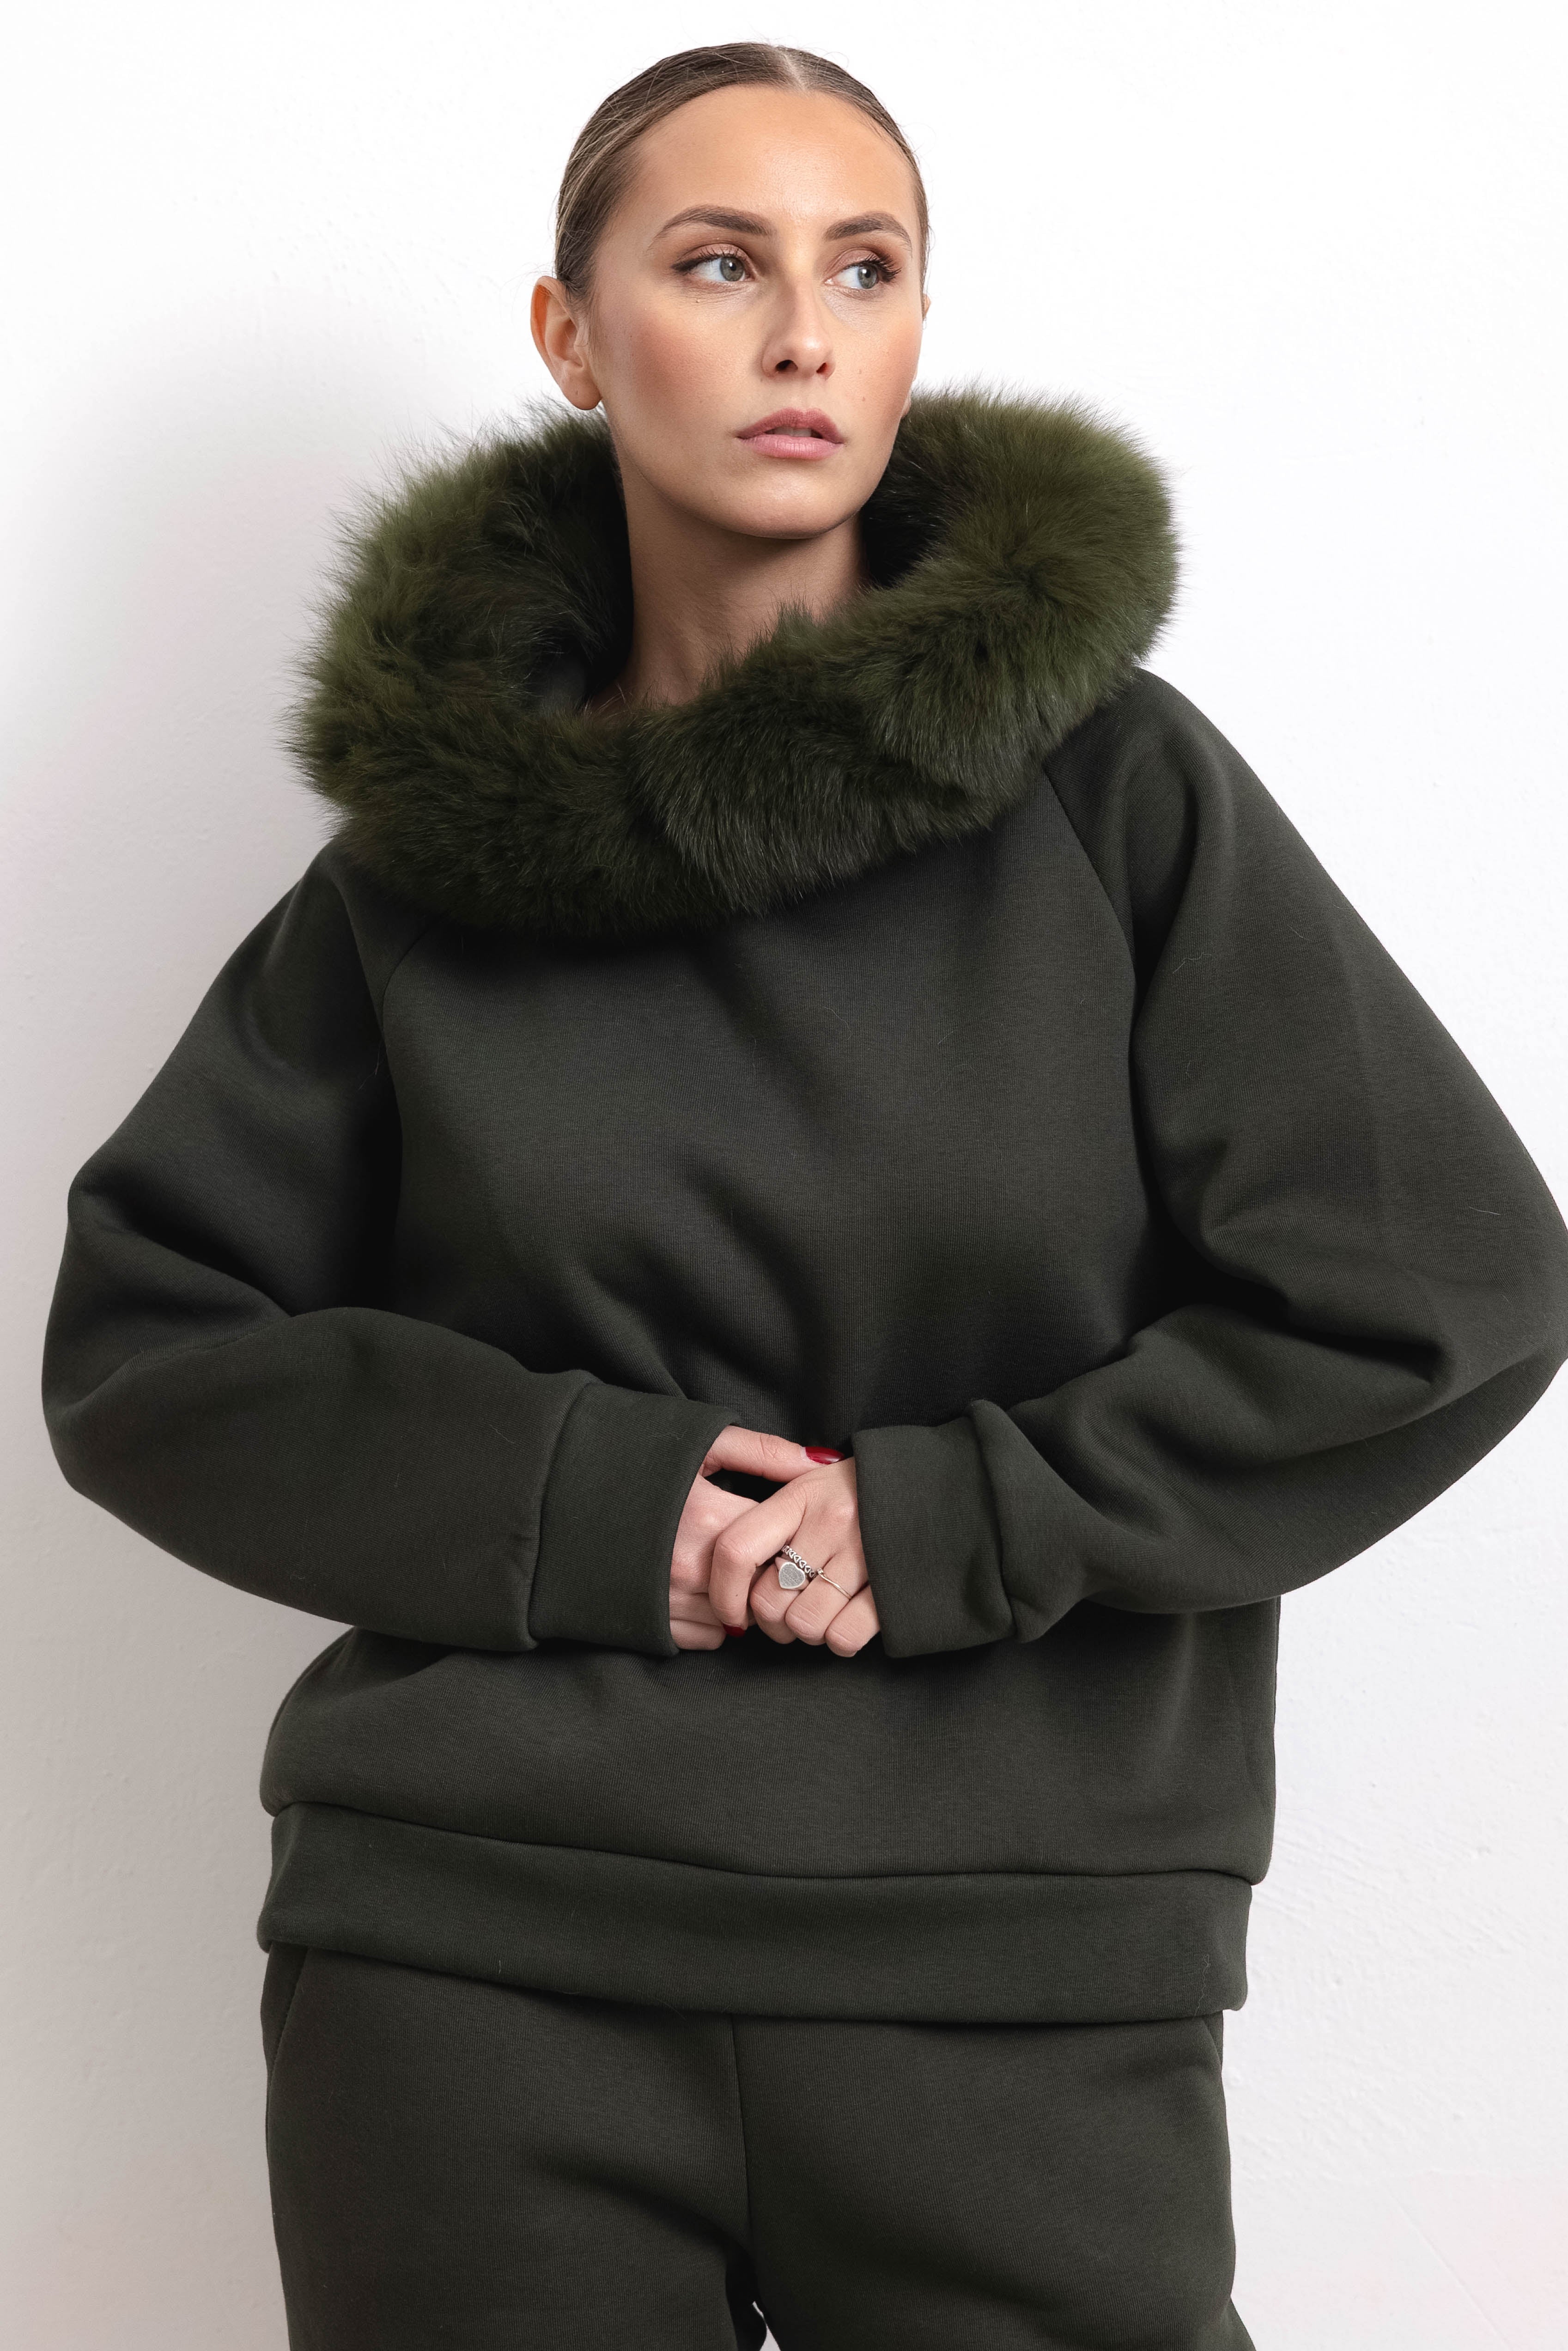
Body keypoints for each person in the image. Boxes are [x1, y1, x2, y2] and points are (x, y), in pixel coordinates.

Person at [42, 40, 1568, 2351]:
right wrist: (591, 1504)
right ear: (573, 335)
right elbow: (151, 1344)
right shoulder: (426, 874)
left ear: (920, 326)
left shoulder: (1114, 799)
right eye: (717, 262)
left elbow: (1440, 1294)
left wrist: (969, 1516)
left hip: (1018, 1983)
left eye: (865, 269)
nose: (801, 336)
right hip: (472, 1967)